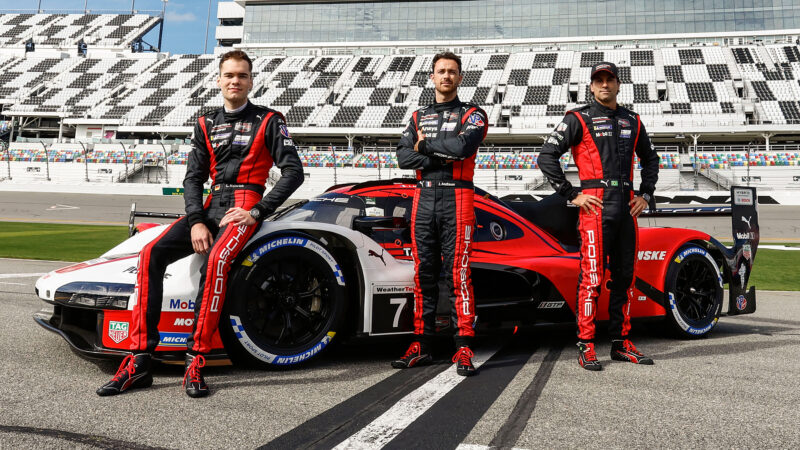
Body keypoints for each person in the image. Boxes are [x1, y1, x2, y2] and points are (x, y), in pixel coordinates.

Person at [97, 50, 304, 397]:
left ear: (251, 81)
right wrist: (196, 221)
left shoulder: (269, 120)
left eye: (242, 75)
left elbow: (293, 172)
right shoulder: (205, 122)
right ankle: (139, 360)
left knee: (217, 261)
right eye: (229, 75)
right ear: (219, 80)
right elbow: (193, 178)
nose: (235, 81)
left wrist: (257, 211)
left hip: (245, 204)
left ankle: (196, 359)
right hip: (210, 205)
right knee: (150, 254)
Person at [538, 62, 659, 371]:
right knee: (591, 278)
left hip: (627, 206)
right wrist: (571, 194)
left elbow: (651, 158)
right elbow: (546, 156)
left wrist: (646, 194)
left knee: (625, 278)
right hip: (595, 206)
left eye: (610, 79)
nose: (604, 84)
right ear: (591, 87)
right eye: (599, 80)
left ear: (618, 84)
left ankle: (621, 343)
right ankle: (586, 343)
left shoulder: (633, 119)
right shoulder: (578, 118)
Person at [394, 52, 488, 376]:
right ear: (432, 77)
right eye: (441, 71)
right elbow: (403, 158)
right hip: (423, 197)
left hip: (458, 196)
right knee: (423, 274)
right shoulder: (418, 116)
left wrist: (424, 147)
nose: (446, 76)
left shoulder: (473, 114)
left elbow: (463, 148)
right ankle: (422, 344)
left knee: (458, 274)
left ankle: (463, 346)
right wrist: (439, 153)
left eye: (452, 71)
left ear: (460, 77)